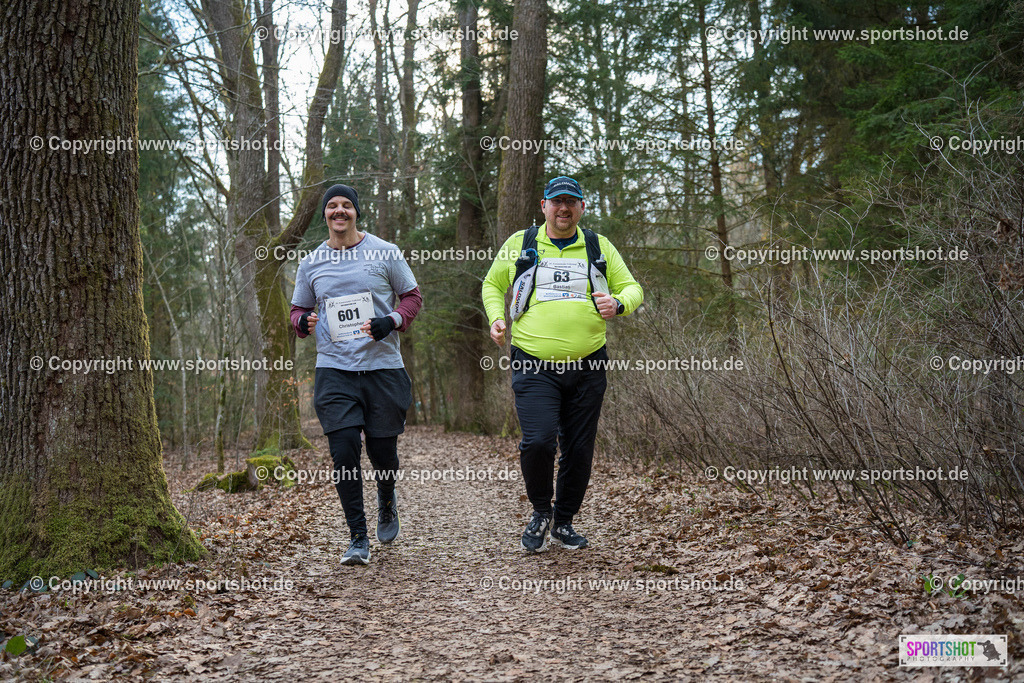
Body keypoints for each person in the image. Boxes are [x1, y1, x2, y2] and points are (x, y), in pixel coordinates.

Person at [481, 176, 643, 552]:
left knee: (579, 448)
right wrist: (495, 318)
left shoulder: (597, 246)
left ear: (582, 208)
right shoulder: (522, 244)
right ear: (544, 206)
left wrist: (619, 304)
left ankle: (564, 521)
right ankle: (540, 512)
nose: (564, 208)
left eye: (571, 202)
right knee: (538, 442)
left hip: (588, 365)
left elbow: (632, 287)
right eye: (557, 202)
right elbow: (492, 284)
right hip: (533, 362)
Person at [290, 184, 422, 565]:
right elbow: (298, 310)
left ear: (356, 212)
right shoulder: (311, 262)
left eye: (346, 205)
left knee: (383, 452)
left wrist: (391, 321)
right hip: (335, 370)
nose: (339, 211)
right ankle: (358, 538)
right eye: (332, 206)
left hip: (383, 368)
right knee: (344, 451)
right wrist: (304, 321)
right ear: (325, 216)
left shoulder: (385, 252)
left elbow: (412, 297)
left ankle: (386, 497)